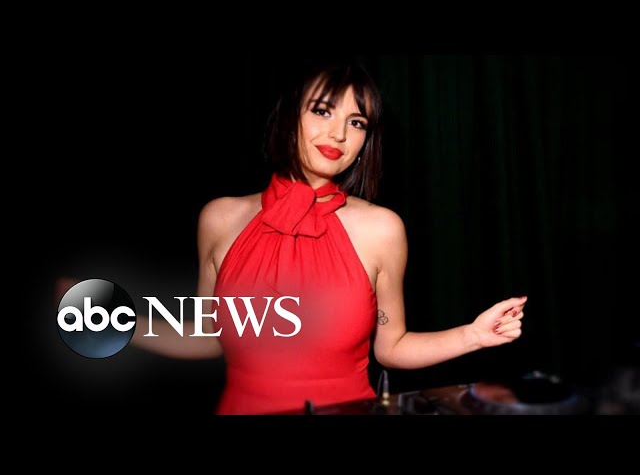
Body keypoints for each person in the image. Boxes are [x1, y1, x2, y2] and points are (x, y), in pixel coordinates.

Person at [132, 60, 526, 415]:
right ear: (289, 115)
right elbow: (207, 336)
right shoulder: (219, 218)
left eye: (357, 123)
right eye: (322, 111)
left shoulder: (381, 229)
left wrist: (473, 336)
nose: (338, 134)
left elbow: (392, 347)